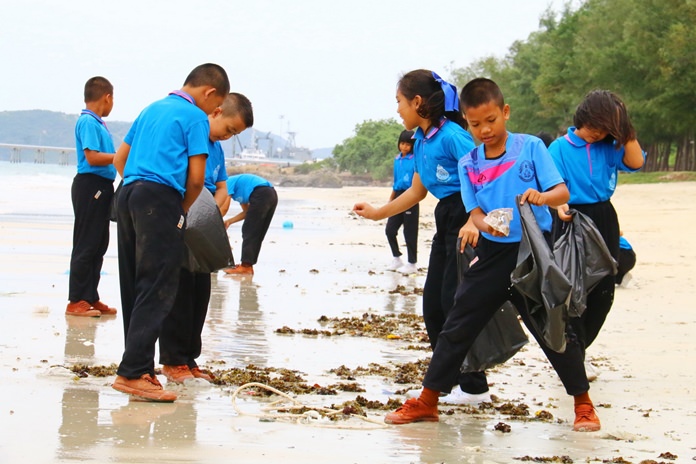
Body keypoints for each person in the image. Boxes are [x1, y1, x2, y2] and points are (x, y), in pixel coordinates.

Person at [382, 77, 602, 433]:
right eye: (475, 124)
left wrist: (543, 198)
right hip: (492, 256)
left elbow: (561, 191)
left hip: (531, 254)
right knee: (457, 325)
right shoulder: (468, 163)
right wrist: (484, 224)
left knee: (553, 330)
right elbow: (475, 213)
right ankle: (428, 400)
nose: (484, 130)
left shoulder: (530, 147)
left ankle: (583, 405)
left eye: (491, 120)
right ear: (465, 122)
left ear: (505, 112)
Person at [353, 69, 490, 404]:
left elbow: (483, 177)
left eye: (399, 102)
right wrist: (377, 212)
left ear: (417, 102)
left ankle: (474, 388)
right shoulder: (421, 141)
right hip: (447, 217)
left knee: (455, 304)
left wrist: (475, 220)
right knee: (432, 306)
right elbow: (417, 191)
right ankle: (450, 382)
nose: (398, 110)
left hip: (467, 216)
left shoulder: (453, 136)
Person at [112, 63, 230, 402]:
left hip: (129, 193)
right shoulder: (193, 116)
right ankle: (133, 372)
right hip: (161, 199)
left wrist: (139, 180)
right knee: (159, 285)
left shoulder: (151, 108)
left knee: (134, 284)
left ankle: (141, 367)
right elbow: (196, 178)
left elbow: (121, 159)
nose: (213, 113)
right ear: (209, 93)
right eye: (216, 106)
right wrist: (181, 207)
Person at [159, 93, 254, 384]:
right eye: (228, 129)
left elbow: (222, 187)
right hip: (182, 216)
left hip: (205, 221)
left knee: (202, 291)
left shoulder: (217, 150)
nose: (228, 136)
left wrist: (215, 208)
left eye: (235, 134)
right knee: (179, 290)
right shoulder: (194, 134)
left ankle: (190, 357)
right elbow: (189, 179)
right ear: (215, 112)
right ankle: (173, 360)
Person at [548, 90, 644, 351]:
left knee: (604, 290)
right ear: (582, 117)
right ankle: (573, 355)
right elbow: (552, 185)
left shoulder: (609, 146)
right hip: (571, 217)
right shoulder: (559, 147)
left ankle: (577, 350)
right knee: (574, 290)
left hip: (604, 217)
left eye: (604, 129)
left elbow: (636, 161)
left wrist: (624, 126)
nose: (597, 134)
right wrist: (559, 207)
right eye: (593, 126)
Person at [66, 76, 118, 318]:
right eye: (113, 99)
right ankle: (75, 299)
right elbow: (93, 157)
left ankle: (90, 296)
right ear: (107, 97)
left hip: (103, 186)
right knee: (86, 243)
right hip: (90, 186)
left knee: (99, 244)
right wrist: (119, 157)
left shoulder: (99, 123)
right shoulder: (88, 121)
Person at [222, 173, 278, 275]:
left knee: (249, 230)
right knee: (257, 232)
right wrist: (229, 221)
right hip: (271, 194)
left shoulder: (226, 182)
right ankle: (248, 265)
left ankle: (245, 267)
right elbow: (246, 212)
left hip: (261, 193)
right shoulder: (241, 191)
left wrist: (214, 220)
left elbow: (224, 208)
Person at [385, 129, 419, 275]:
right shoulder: (396, 160)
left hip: (411, 194)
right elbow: (396, 180)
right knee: (390, 229)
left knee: (409, 231)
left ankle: (412, 263)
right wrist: (391, 198)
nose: (404, 147)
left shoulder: (415, 160)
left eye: (408, 144)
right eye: (402, 144)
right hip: (398, 194)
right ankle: (397, 258)